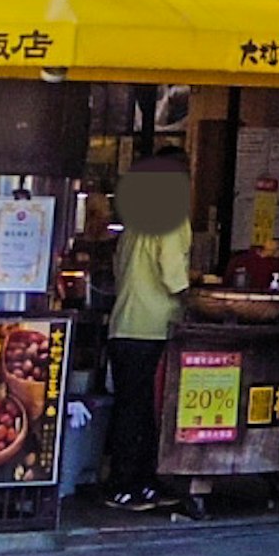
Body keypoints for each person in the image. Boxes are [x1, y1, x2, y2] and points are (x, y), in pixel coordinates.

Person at [103, 151, 193, 510]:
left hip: (124, 325)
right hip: (151, 328)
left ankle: (139, 481)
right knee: (140, 409)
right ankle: (125, 485)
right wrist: (195, 300)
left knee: (131, 406)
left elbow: (118, 268)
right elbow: (173, 276)